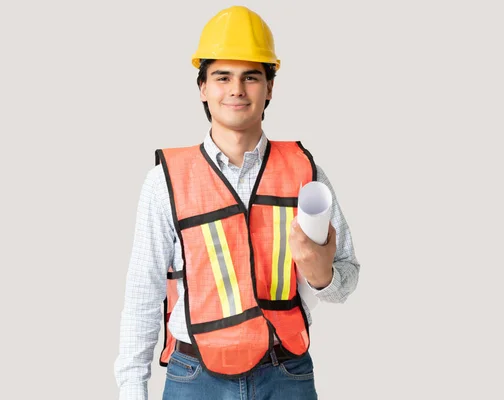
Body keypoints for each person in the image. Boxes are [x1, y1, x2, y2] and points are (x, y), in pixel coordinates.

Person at [114, 5, 360, 400]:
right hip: (195, 378)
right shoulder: (166, 181)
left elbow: (345, 279)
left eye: (251, 77)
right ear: (203, 88)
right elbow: (143, 292)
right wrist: (131, 389)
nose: (236, 89)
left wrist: (321, 274)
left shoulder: (304, 172)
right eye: (222, 77)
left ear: (270, 87)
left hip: (285, 374)